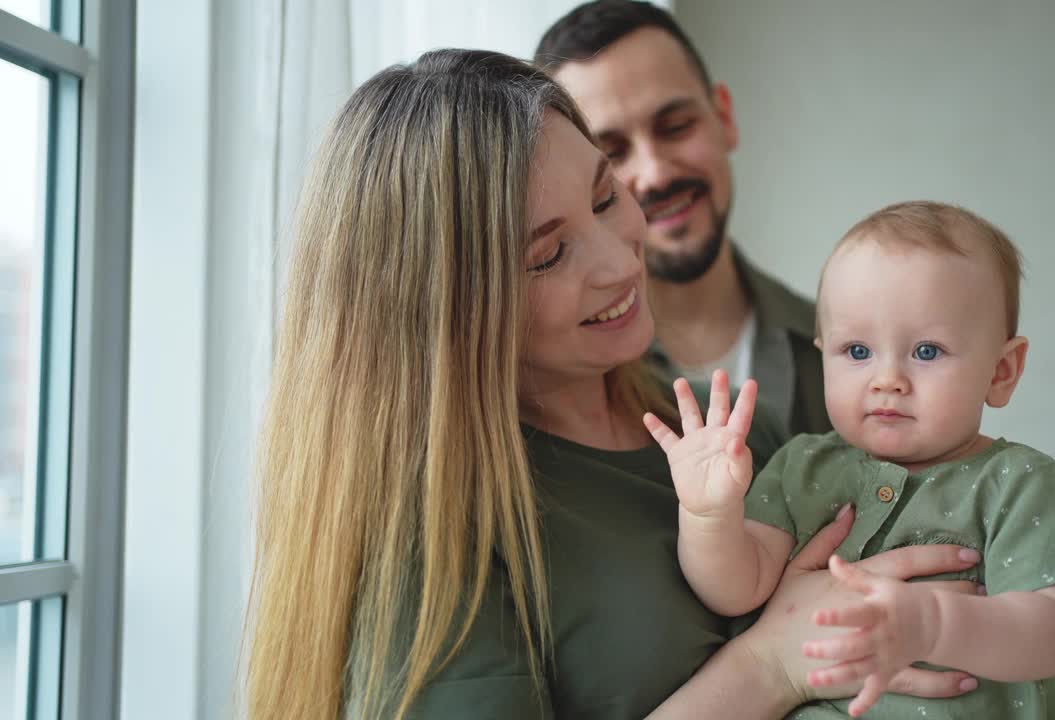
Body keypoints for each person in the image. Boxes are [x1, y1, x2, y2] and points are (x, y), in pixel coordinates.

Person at [242, 50, 986, 719]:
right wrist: (769, 664)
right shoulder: (430, 538)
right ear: (442, 310)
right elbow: (787, 651)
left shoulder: (711, 430)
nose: (620, 263)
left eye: (603, 198)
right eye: (547, 255)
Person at [644, 201, 1055, 718]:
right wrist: (709, 515)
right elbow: (735, 590)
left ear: (1001, 371)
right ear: (823, 353)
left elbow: (1052, 635)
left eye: (927, 351)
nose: (887, 379)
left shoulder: (1016, 483)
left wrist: (933, 624)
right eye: (858, 352)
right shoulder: (803, 469)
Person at [535, 0, 833, 436]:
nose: (655, 174)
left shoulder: (843, 353)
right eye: (612, 153)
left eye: (675, 126)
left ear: (724, 117)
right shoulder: (564, 391)